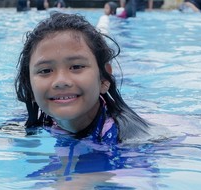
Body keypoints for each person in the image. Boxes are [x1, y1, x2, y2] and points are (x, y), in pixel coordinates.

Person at [14, 12, 151, 144]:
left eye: (76, 67)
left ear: (104, 79)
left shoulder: (129, 141)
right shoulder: (36, 121)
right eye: (45, 70)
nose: (61, 81)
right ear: (29, 87)